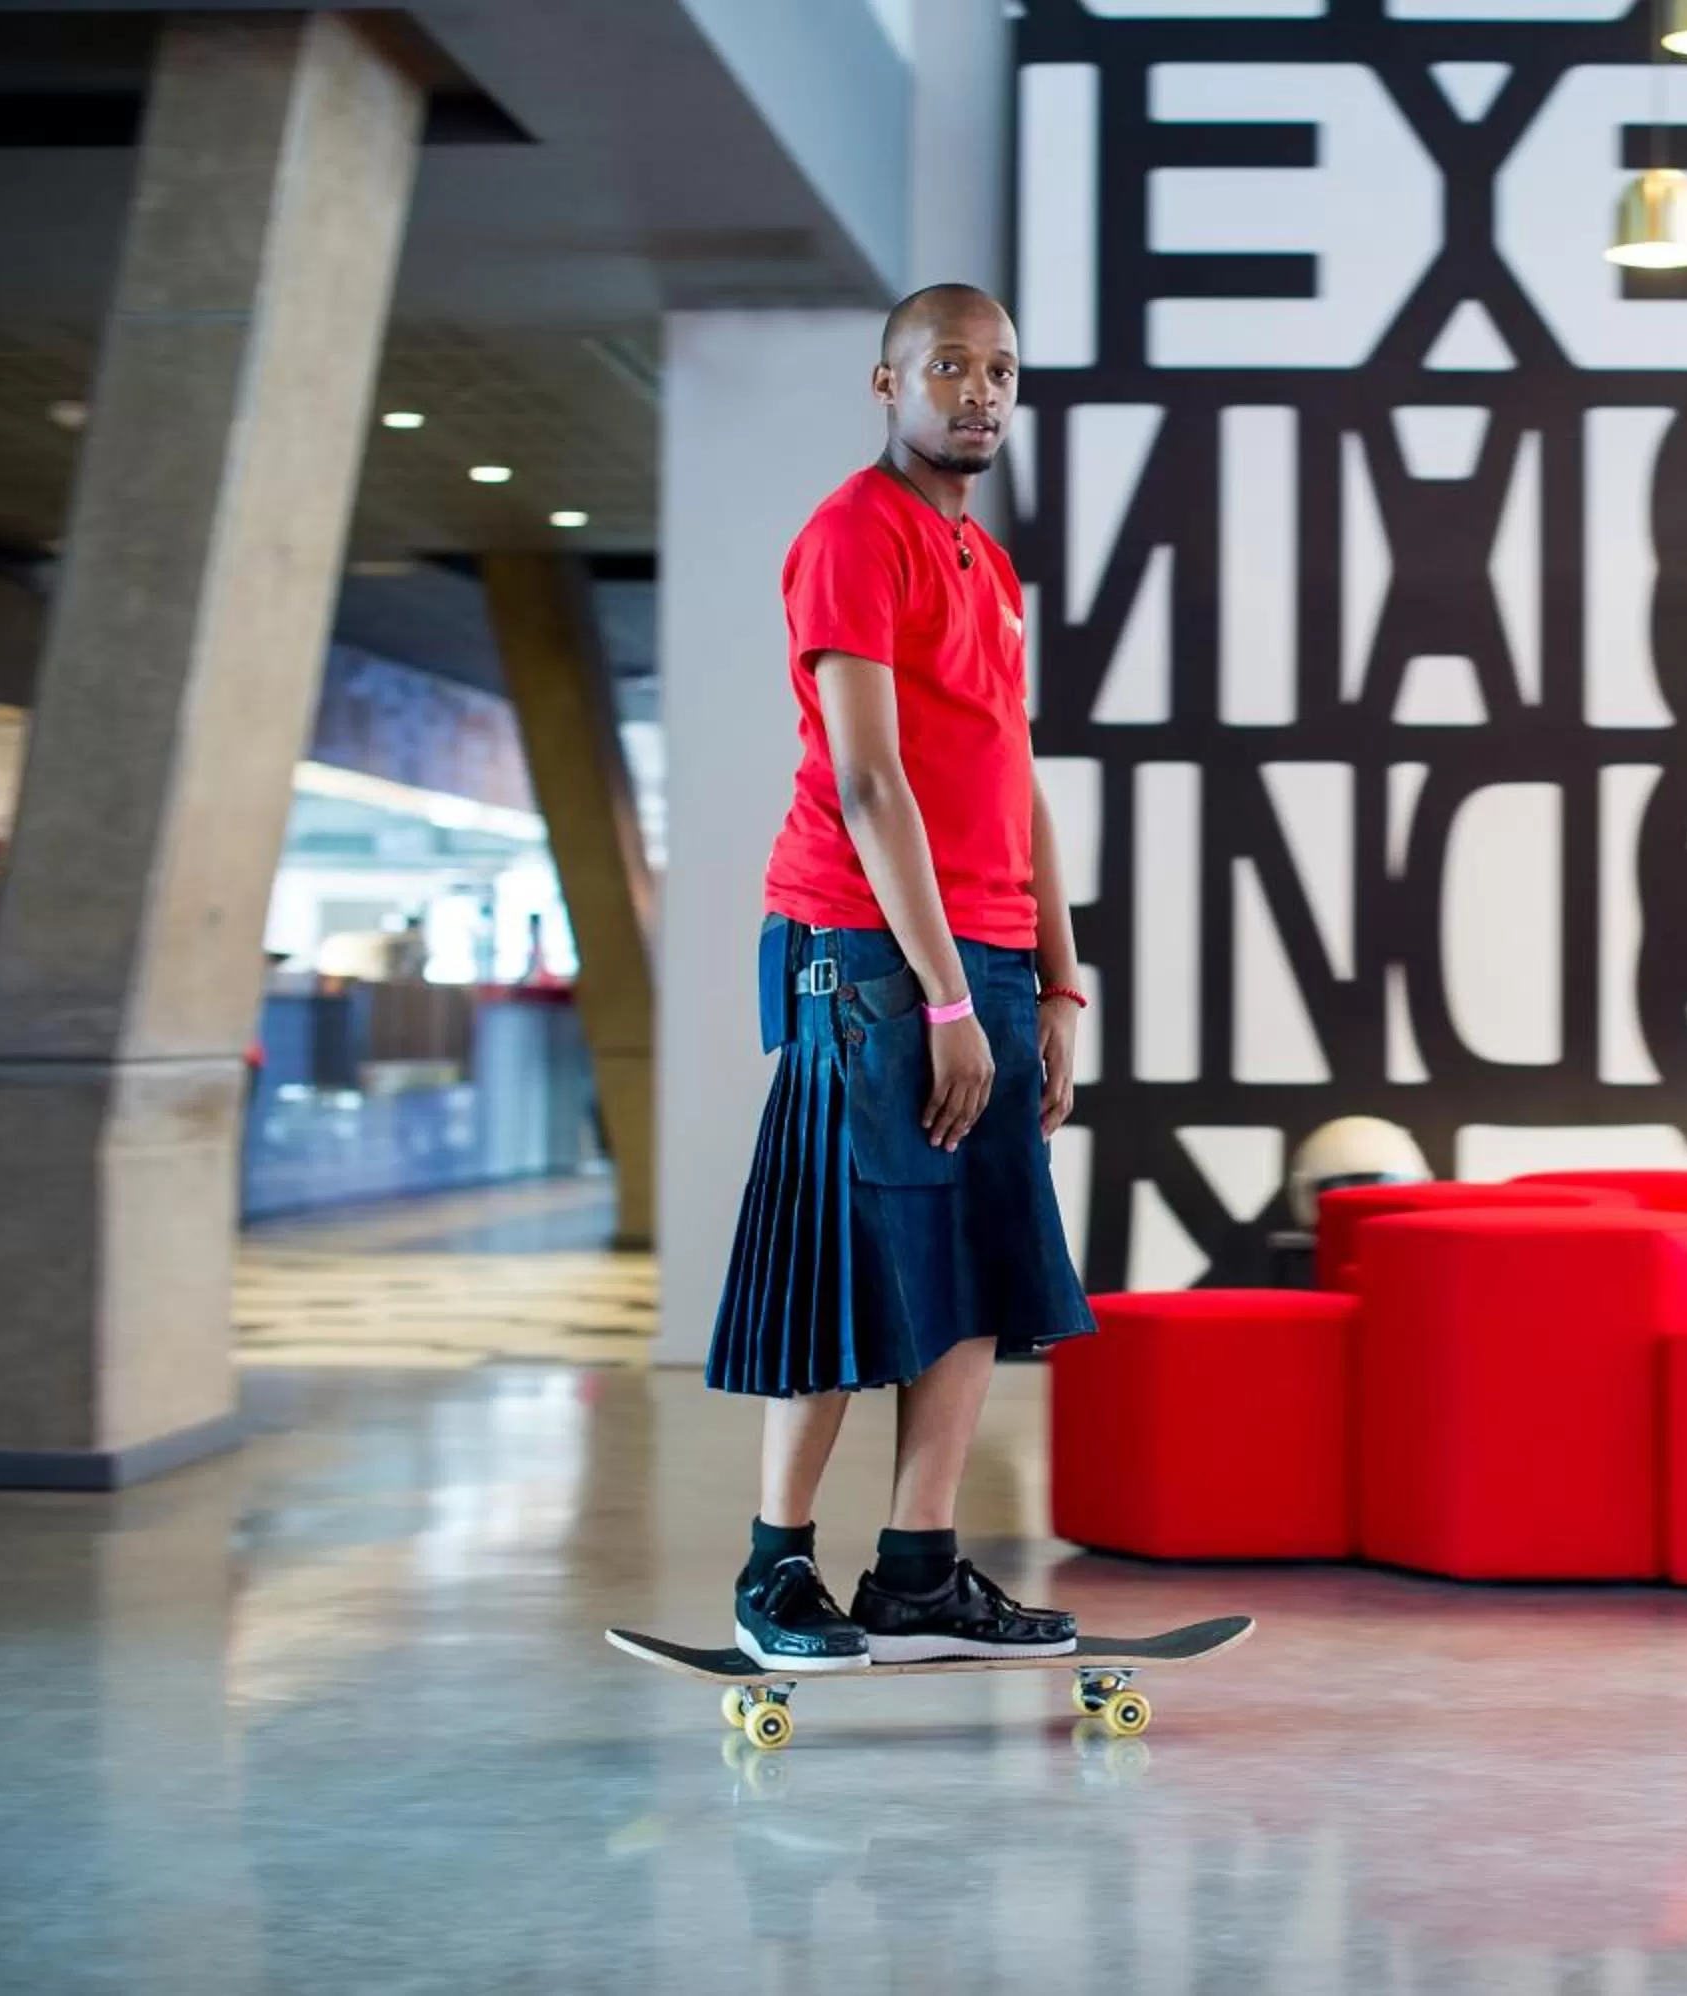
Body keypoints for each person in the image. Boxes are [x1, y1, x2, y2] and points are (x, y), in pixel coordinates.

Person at [705, 284, 1095, 1670]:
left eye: (998, 370)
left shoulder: (984, 566)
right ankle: (776, 1571)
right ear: (888, 385)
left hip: (980, 953)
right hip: (867, 958)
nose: (978, 392)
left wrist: (1054, 984)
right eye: (948, 367)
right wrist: (941, 997)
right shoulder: (853, 537)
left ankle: (919, 1571)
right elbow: (870, 783)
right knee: (847, 1265)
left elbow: (1013, 777)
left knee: (979, 1266)